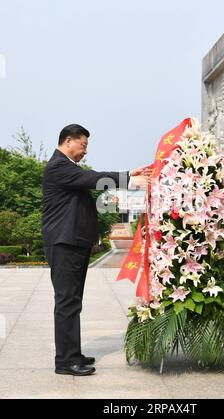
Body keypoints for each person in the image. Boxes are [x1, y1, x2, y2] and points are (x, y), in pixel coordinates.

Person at [42, 124, 152, 376]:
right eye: (83, 144)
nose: (85, 150)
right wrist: (129, 179)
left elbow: (90, 176)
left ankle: (73, 353)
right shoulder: (58, 166)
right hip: (64, 243)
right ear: (68, 141)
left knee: (73, 301)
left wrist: (127, 173)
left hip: (72, 243)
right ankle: (66, 362)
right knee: (67, 301)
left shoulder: (68, 167)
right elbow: (93, 179)